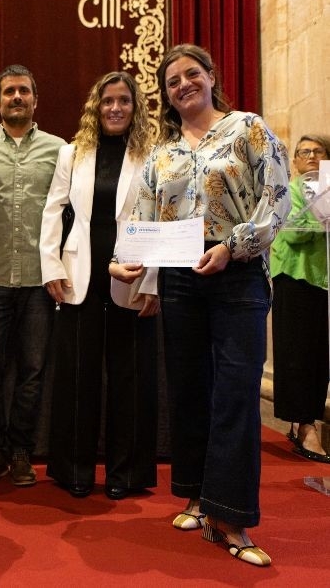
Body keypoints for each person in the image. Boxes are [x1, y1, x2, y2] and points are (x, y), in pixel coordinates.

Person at [115, 43, 290, 566]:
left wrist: (233, 246)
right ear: (165, 95)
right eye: (173, 81)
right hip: (181, 282)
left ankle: (230, 516)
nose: (183, 85)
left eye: (192, 74)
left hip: (237, 277)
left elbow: (277, 198)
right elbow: (143, 218)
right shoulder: (162, 155)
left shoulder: (248, 129)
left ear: (212, 77)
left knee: (236, 392)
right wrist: (128, 262)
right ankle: (196, 494)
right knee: (189, 391)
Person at [41, 71, 159, 500]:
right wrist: (50, 266)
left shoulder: (153, 154)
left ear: (135, 107)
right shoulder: (73, 153)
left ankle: (125, 475)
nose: (115, 108)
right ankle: (74, 470)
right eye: (107, 100)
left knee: (130, 378)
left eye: (124, 101)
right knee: (77, 377)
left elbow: (163, 218)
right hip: (80, 276)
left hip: (135, 275)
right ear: (96, 105)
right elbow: (53, 211)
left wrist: (156, 282)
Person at [0, 65, 65, 488]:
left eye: (24, 90)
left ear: (35, 99)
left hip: (40, 281)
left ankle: (22, 451)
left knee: (32, 371)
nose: (16, 97)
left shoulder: (61, 150)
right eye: (9, 92)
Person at [271, 134, 330, 463]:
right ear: (294, 161)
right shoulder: (289, 189)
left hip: (324, 281)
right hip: (294, 277)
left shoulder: (328, 190)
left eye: (317, 151)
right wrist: (320, 222)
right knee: (297, 354)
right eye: (304, 152)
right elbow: (292, 236)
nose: (310, 156)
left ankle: (310, 420)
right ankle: (304, 426)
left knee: (321, 356)